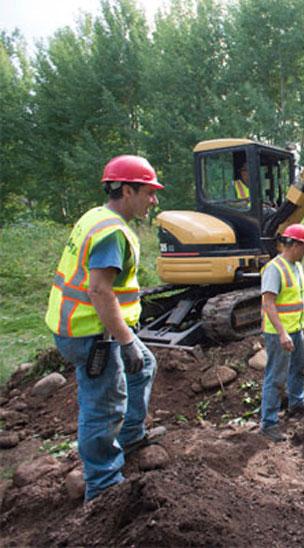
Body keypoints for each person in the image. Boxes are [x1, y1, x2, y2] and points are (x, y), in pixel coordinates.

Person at [44, 155, 163, 502]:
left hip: (89, 326)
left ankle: (131, 437)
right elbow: (99, 290)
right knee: (105, 405)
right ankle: (103, 486)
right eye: (148, 192)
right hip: (92, 333)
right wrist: (126, 341)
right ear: (127, 190)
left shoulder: (96, 218)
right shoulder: (111, 233)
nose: (153, 200)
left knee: (145, 367)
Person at [259, 223, 304, 442]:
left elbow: (297, 298)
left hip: (296, 328)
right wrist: (283, 333)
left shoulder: (297, 266)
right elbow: (269, 304)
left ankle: (296, 403)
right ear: (294, 244)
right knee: (276, 376)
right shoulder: (275, 269)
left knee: (300, 365)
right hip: (278, 333)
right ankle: (269, 423)